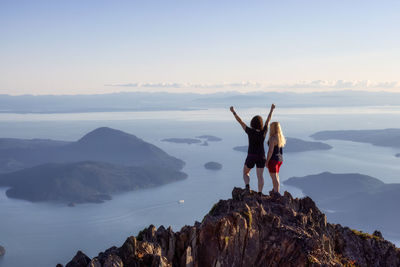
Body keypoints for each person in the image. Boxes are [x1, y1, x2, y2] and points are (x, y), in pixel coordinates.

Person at [230, 104, 275, 194]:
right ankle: (259, 193)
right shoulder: (263, 132)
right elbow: (268, 120)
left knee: (245, 173)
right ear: (261, 124)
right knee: (260, 176)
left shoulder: (250, 131)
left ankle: (247, 187)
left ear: (252, 123)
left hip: (251, 155)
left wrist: (233, 112)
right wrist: (271, 109)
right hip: (261, 156)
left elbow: (241, 122)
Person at [266, 121, 286, 193]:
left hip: (273, 160)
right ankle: (276, 191)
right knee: (277, 177)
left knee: (274, 178)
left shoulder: (272, 138)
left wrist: (267, 161)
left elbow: (270, 151)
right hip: (280, 159)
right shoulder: (280, 137)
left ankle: (276, 193)